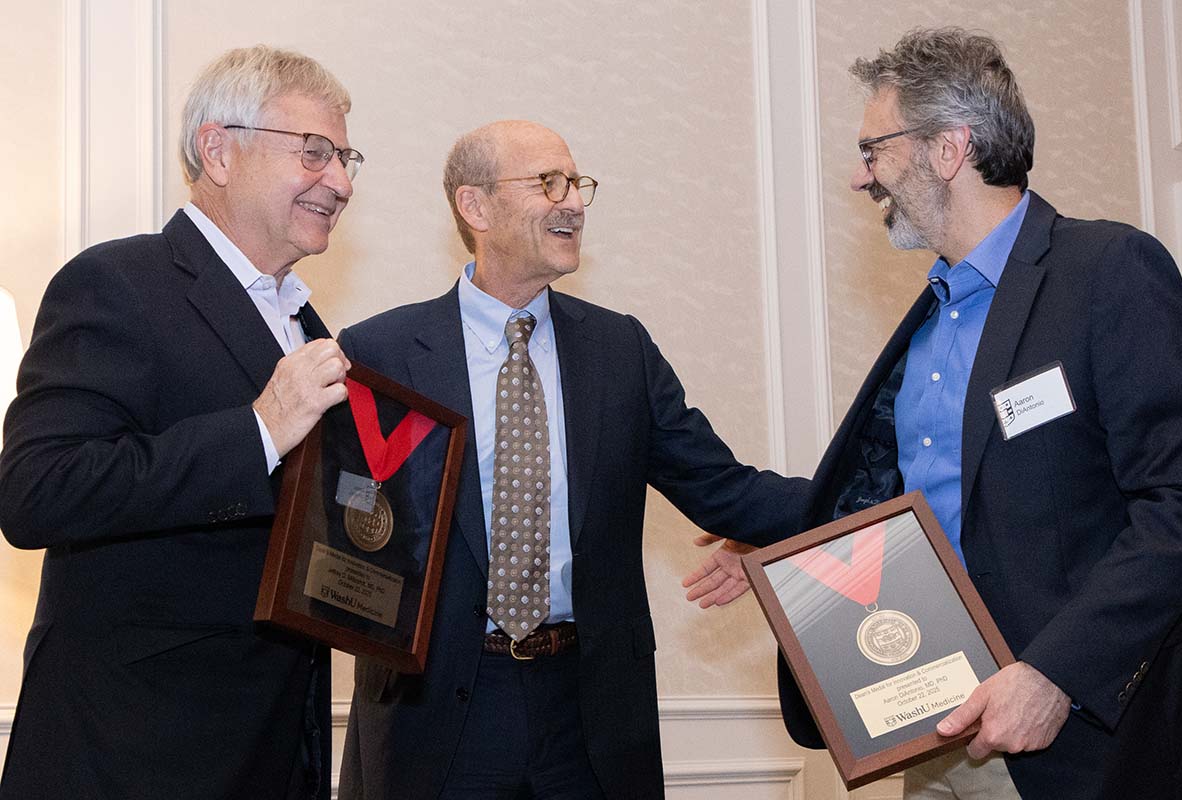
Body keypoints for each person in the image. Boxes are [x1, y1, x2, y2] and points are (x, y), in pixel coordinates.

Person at [685, 26, 1182, 799]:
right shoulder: (933, 315)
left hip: (1068, 740)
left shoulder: (1106, 271)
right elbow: (916, 505)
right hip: (927, 731)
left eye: (874, 150)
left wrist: (1054, 673)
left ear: (949, 148)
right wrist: (783, 535)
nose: (863, 180)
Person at [336, 119, 808, 800]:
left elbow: (723, 488)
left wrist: (864, 496)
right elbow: (346, 521)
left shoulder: (620, 351)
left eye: (578, 184)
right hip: (435, 712)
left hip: (590, 714)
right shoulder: (384, 353)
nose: (574, 203)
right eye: (548, 183)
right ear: (475, 206)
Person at [0, 45, 361, 799]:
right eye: (316, 152)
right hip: (134, 754)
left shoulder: (303, 321)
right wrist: (259, 429)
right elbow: (38, 491)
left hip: (275, 749)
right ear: (218, 150)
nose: (341, 181)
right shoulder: (115, 283)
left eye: (347, 157)